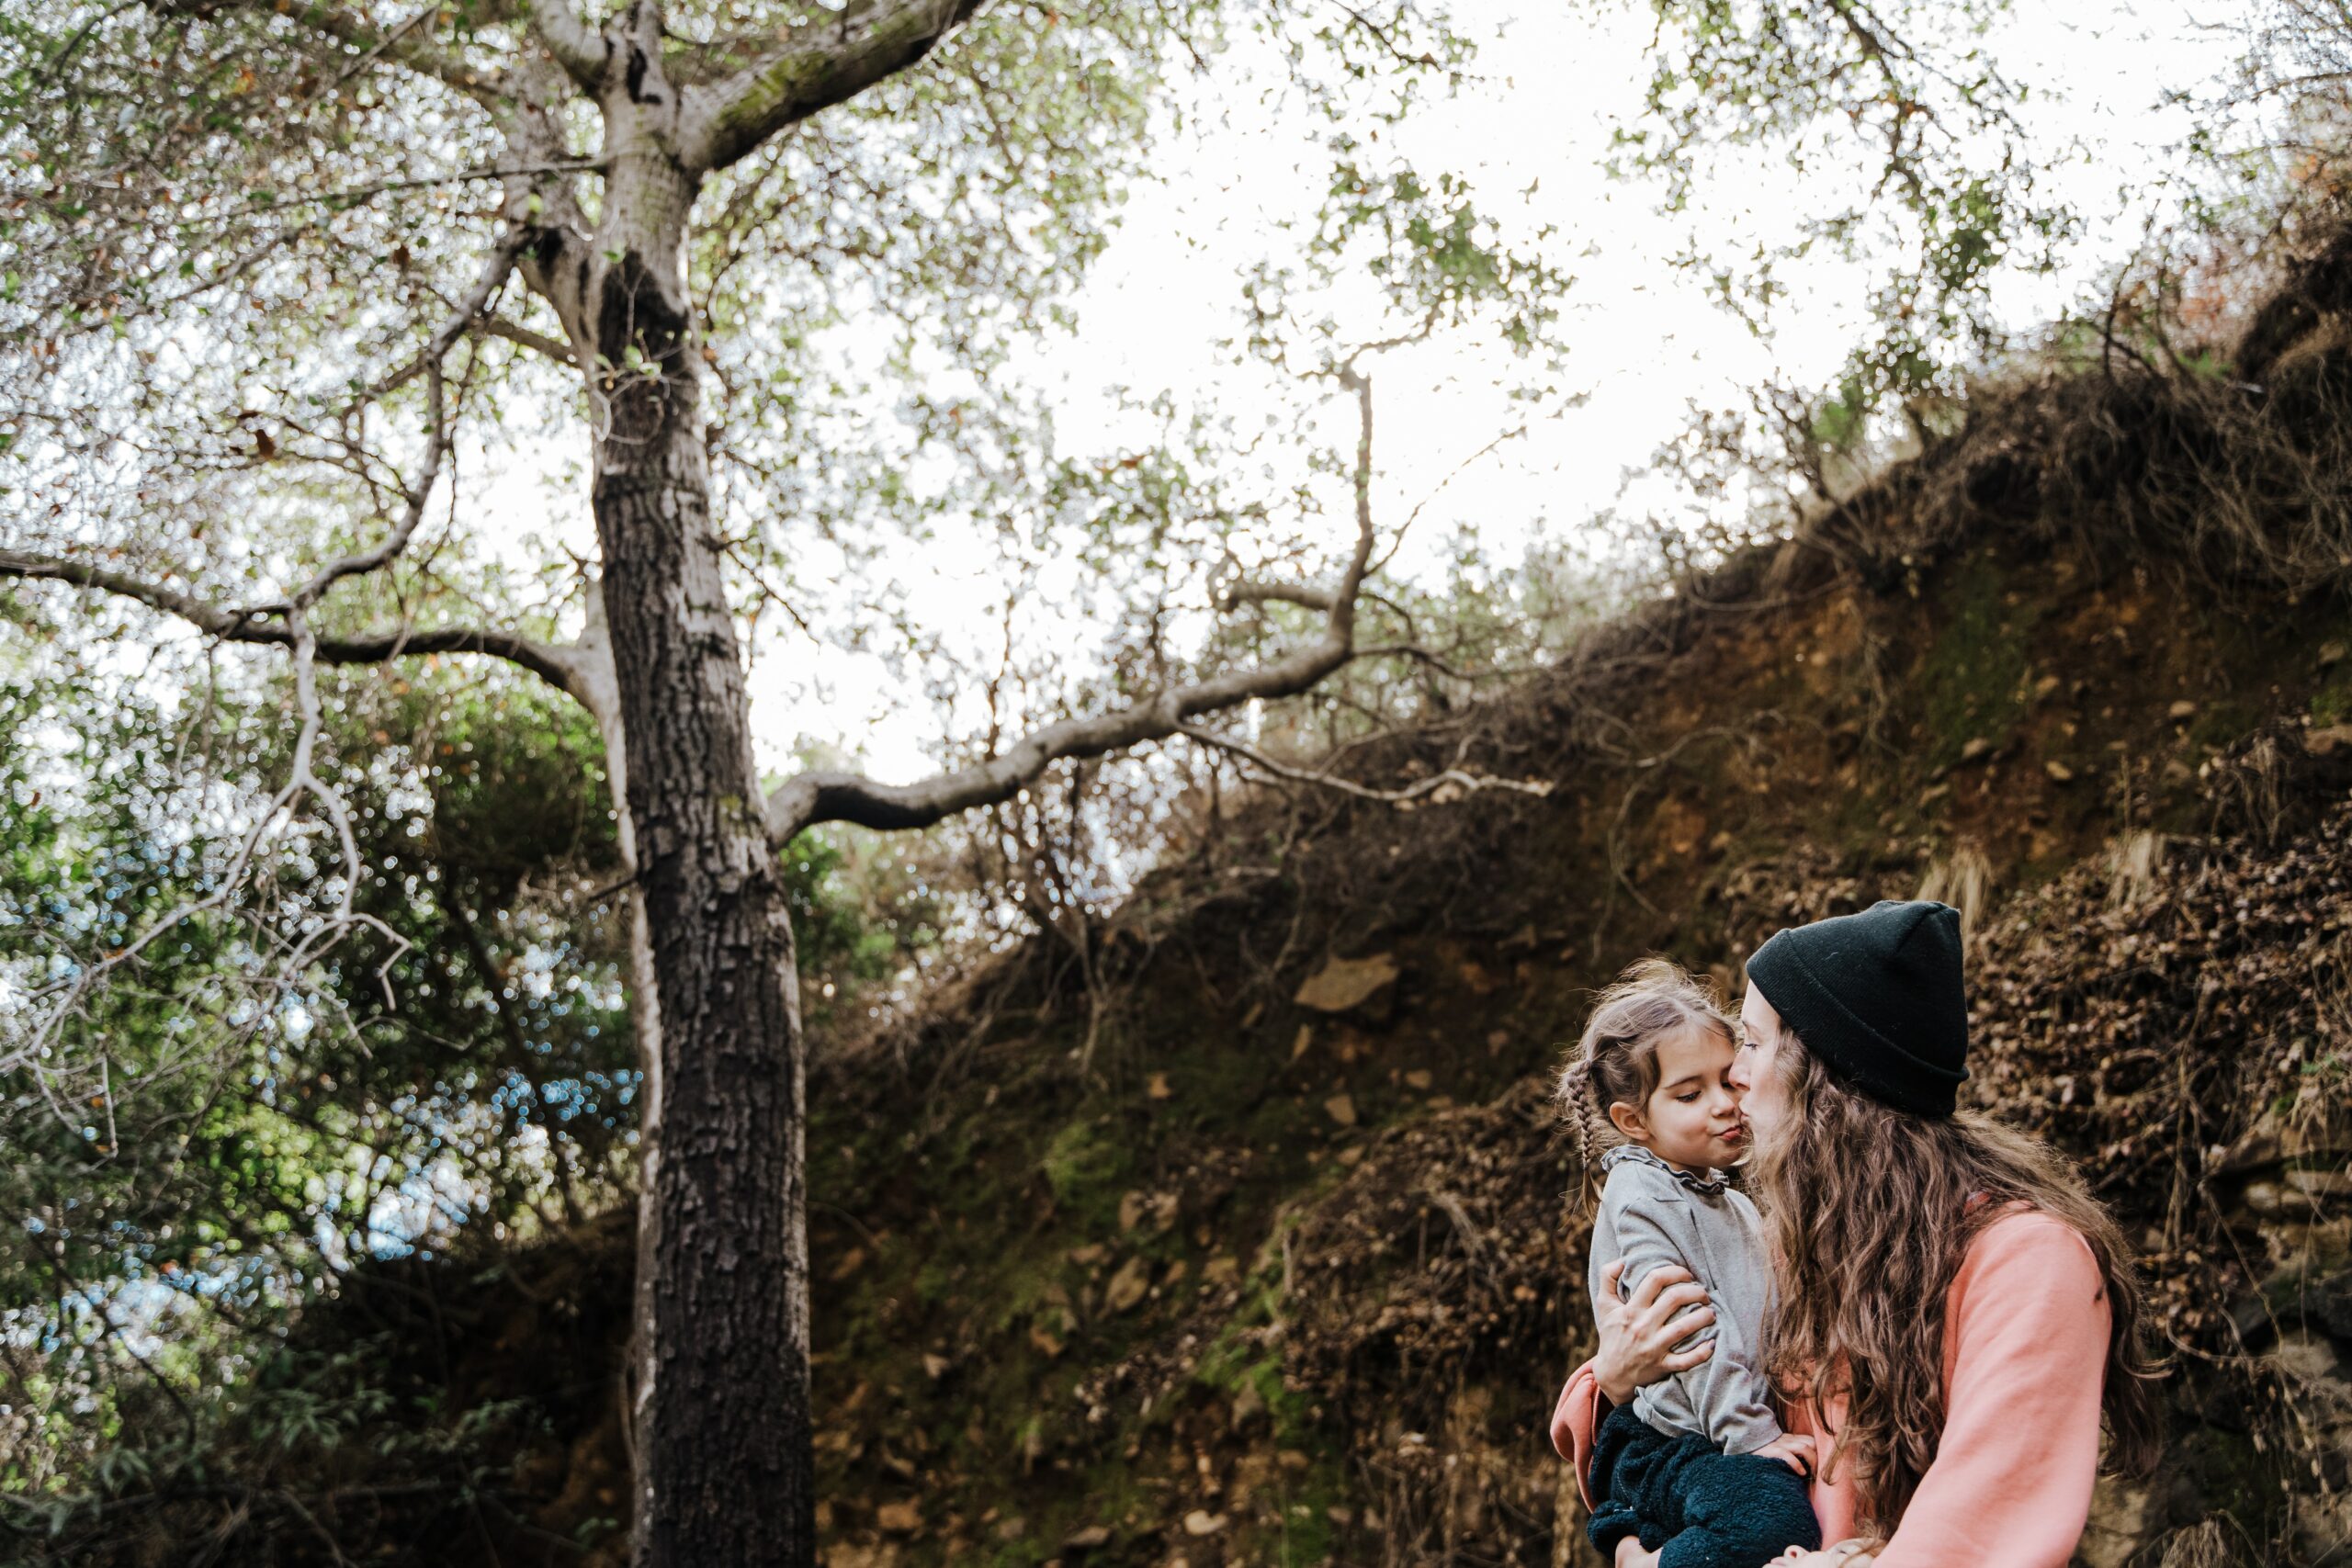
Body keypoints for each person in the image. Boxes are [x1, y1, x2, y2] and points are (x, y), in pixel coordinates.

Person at [1550, 902, 2162, 1567]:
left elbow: (1985, 1521)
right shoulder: (1802, 1239)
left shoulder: (2027, 1261)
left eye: (1751, 1043)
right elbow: (1678, 1397)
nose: (1737, 1078)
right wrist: (1611, 1382)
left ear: (1829, 1075)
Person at [1557, 961, 1821, 1568]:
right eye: (1690, 1093)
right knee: (1770, 1519)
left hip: (1709, 1435)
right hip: (1676, 1440)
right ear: (1633, 1120)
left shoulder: (1722, 1196)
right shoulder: (1642, 1196)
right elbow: (1692, 1330)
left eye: (1729, 1082)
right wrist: (1753, 1438)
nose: (1726, 1104)